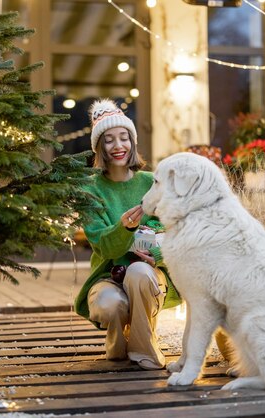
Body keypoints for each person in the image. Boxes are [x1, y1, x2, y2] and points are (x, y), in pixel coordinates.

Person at [74, 99, 181, 370]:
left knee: (138, 273)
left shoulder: (150, 182)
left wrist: (155, 254)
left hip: (148, 275)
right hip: (108, 277)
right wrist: (124, 228)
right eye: (109, 140)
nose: (118, 146)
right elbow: (104, 246)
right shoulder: (90, 189)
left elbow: (175, 231)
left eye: (124, 138)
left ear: (132, 142)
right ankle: (118, 340)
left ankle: (144, 348)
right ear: (99, 147)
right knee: (110, 303)